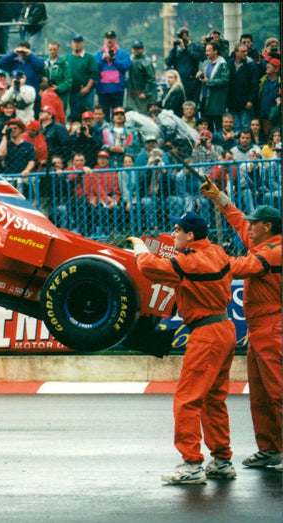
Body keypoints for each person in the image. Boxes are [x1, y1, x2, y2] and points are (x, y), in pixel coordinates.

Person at [129, 211, 236, 484]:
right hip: (225, 328)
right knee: (214, 398)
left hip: (206, 334)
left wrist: (140, 248)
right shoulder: (217, 252)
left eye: (177, 229)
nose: (173, 233)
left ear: (190, 235)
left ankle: (191, 465)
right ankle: (222, 461)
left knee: (187, 399)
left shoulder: (191, 261)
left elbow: (149, 268)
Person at [200, 182, 282, 471]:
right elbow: (238, 221)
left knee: (279, 391)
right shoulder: (266, 244)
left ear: (268, 227)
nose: (249, 227)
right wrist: (221, 199)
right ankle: (270, 448)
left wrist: (204, 258)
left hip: (273, 327)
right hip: (260, 329)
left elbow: (240, 267)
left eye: (254, 224)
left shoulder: (274, 252)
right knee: (259, 394)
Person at [94, 30, 132, 121]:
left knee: (118, 114)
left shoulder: (123, 53)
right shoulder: (98, 54)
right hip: (103, 90)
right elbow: (94, 68)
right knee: (104, 116)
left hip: (117, 90)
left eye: (111, 38)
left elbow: (126, 66)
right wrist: (103, 58)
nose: (109, 41)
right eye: (107, 39)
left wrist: (114, 59)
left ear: (115, 40)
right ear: (104, 40)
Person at [166, 27, 204, 107]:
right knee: (179, 106)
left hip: (192, 83)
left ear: (188, 37)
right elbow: (168, 62)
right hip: (179, 82)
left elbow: (199, 58)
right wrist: (174, 49)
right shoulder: (176, 49)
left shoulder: (195, 47)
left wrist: (185, 49)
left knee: (192, 106)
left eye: (184, 39)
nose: (182, 42)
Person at [227, 44, 261, 132]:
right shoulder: (229, 63)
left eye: (246, 51)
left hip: (245, 101)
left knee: (245, 125)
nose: (245, 53)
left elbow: (254, 85)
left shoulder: (251, 66)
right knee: (235, 125)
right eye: (242, 51)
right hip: (232, 101)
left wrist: (250, 100)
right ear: (236, 52)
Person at [197, 43, 230, 131]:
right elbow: (203, 75)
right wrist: (199, 75)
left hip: (216, 101)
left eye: (208, 50)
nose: (206, 53)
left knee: (218, 125)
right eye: (206, 50)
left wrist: (209, 82)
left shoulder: (222, 64)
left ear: (215, 51)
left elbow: (224, 80)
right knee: (207, 126)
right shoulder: (205, 63)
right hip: (205, 99)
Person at [66, 33, 100, 122]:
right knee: (74, 114)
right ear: (71, 44)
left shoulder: (89, 57)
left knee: (87, 114)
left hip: (87, 91)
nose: (76, 44)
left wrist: (87, 88)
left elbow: (94, 73)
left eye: (79, 42)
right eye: (74, 42)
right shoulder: (68, 58)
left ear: (82, 43)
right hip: (73, 92)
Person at [0, 118, 36, 186]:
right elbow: (1, 154)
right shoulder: (5, 143)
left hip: (23, 176)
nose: (13, 130)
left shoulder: (28, 145)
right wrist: (5, 135)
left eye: (15, 128)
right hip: (9, 176)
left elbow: (32, 160)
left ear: (20, 130)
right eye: (10, 128)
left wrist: (27, 170)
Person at [125, 40, 156, 115]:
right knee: (131, 114)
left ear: (142, 49)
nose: (136, 50)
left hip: (142, 94)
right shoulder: (130, 59)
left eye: (138, 48)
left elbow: (151, 80)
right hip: (131, 94)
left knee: (143, 115)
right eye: (134, 48)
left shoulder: (147, 61)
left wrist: (145, 93)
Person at [43, 41, 72, 113]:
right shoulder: (44, 62)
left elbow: (69, 81)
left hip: (60, 96)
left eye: (54, 49)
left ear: (59, 49)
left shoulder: (64, 64)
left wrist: (58, 87)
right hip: (47, 94)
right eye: (50, 49)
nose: (52, 52)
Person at [257, 58, 280, 136]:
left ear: (276, 69)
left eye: (270, 66)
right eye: (268, 64)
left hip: (275, 118)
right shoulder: (263, 80)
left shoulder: (279, 83)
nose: (267, 66)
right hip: (262, 116)